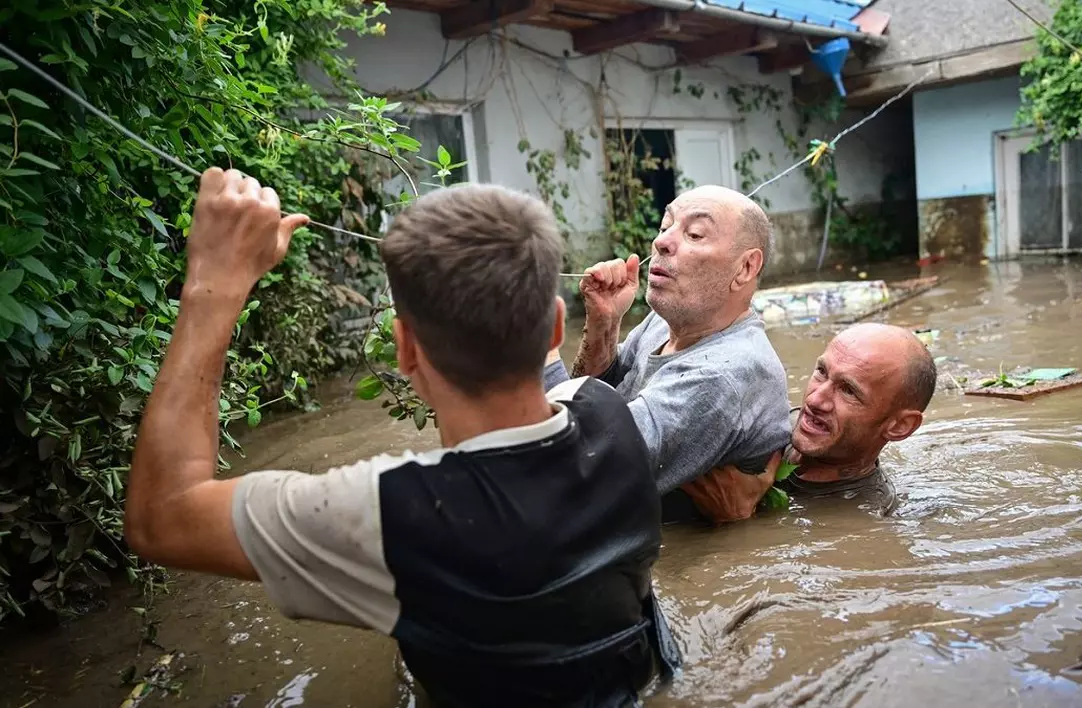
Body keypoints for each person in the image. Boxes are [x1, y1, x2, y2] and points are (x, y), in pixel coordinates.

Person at [124, 169, 680, 708]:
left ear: (406, 350)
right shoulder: (609, 411)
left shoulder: (391, 513)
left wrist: (211, 285)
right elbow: (564, 392)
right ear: (557, 326)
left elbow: (162, 516)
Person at [543, 185, 791, 522]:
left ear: (746, 268)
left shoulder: (723, 374)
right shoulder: (665, 322)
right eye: (665, 227)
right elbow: (600, 397)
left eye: (694, 234)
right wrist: (604, 326)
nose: (661, 242)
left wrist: (537, 346)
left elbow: (574, 468)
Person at [681, 323, 937, 522]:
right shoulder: (765, 421)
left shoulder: (863, 520)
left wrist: (734, 520)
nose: (815, 400)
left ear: (899, 426)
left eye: (848, 390)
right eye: (822, 372)